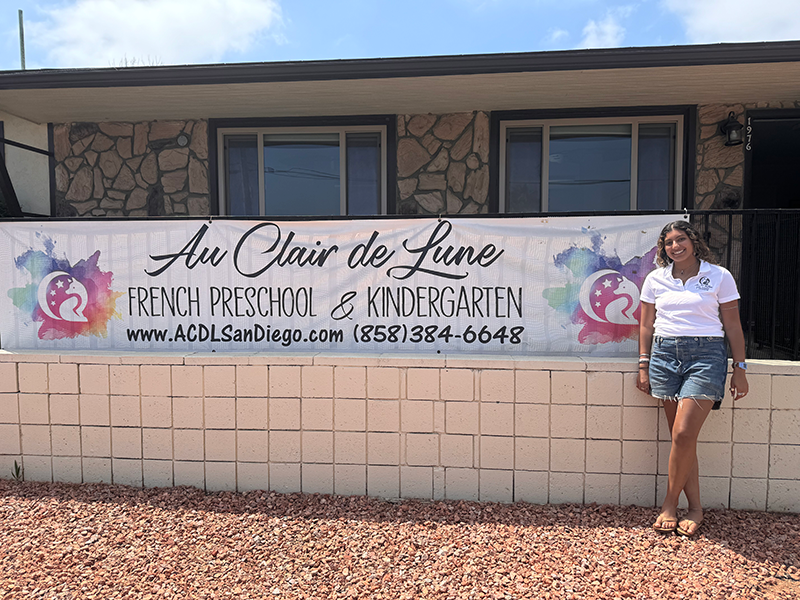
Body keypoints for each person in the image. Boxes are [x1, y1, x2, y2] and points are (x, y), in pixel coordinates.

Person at [637, 220, 748, 537]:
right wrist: (644, 364)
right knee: (681, 439)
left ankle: (669, 503)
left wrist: (740, 368)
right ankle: (696, 508)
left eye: (681, 239)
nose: (675, 246)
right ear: (663, 249)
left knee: (684, 433)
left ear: (694, 241)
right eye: (668, 242)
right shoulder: (655, 279)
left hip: (706, 355)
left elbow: (733, 325)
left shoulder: (719, 276)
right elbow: (646, 325)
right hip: (664, 356)